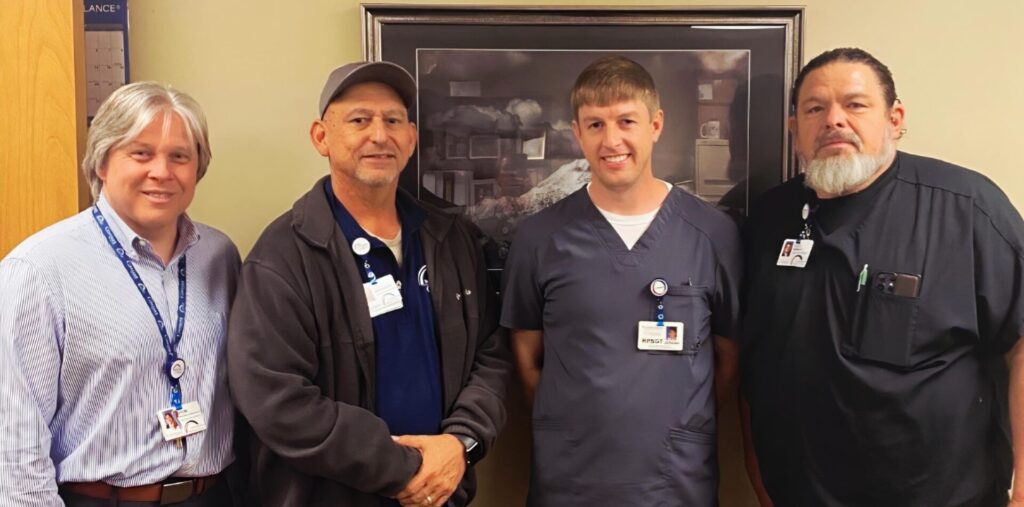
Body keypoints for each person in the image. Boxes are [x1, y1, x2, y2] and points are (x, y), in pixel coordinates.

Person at [741, 47, 1024, 506]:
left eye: (855, 104)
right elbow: (755, 362)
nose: (834, 120)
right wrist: (762, 480)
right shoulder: (768, 219)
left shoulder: (966, 208)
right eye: (815, 108)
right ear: (795, 130)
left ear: (895, 119)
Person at [226, 61, 511, 507]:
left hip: (442, 494)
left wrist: (461, 445)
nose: (380, 135)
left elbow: (492, 355)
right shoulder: (282, 257)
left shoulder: (451, 239)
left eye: (393, 121)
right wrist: (409, 469)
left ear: (411, 138)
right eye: (360, 120)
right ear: (321, 136)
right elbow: (277, 401)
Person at [501, 55, 742, 506]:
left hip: (676, 483)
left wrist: (678, 427)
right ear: (577, 132)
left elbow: (727, 356)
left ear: (655, 124)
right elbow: (526, 357)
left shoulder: (713, 234)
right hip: (570, 481)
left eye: (626, 121)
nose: (611, 140)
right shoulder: (539, 238)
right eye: (595, 125)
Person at [0, 82, 239, 506]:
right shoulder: (38, 269)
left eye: (179, 156)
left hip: (214, 495)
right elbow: (14, 444)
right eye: (141, 153)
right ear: (103, 162)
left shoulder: (219, 256)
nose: (162, 172)